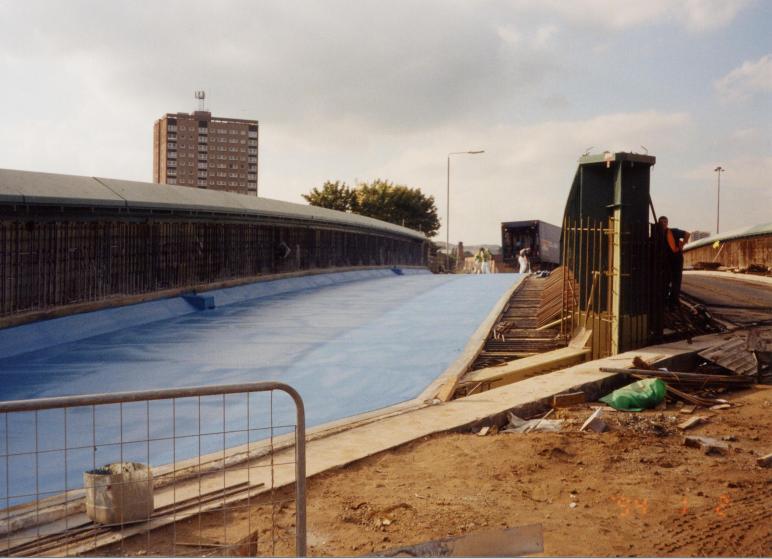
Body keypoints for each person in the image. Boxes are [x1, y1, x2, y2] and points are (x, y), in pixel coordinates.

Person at [658, 216, 690, 309]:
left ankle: (673, 302)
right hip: (666, 260)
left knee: (676, 281)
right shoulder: (657, 234)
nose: (663, 224)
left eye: (665, 222)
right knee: (665, 280)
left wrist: (682, 245)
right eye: (661, 222)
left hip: (676, 259)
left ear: (667, 223)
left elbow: (687, 234)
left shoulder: (673, 231)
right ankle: (665, 301)